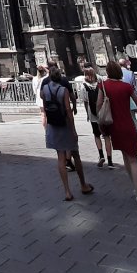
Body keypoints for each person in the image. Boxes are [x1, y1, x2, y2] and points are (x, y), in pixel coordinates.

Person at [95, 61, 137, 207]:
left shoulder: (103, 86)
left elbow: (98, 105)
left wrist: (101, 119)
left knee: (126, 157)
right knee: (132, 160)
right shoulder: (126, 86)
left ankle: (136, 188)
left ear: (107, 72)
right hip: (128, 125)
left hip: (114, 127)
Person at [41, 65, 92, 201]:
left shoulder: (44, 88)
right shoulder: (63, 89)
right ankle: (83, 185)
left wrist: (46, 119)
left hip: (53, 125)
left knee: (60, 157)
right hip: (65, 125)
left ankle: (67, 191)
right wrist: (73, 130)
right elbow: (68, 111)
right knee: (75, 154)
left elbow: (44, 106)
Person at [80, 66, 112, 168]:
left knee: (97, 135)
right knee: (106, 136)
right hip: (103, 112)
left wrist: (87, 114)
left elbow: (85, 102)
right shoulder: (101, 83)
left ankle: (101, 155)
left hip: (92, 113)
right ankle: (110, 161)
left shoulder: (83, 86)